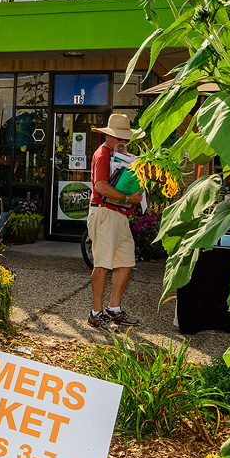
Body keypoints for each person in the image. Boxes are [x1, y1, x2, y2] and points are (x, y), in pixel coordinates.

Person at [86, 113, 143, 329]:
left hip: (119, 214)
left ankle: (114, 309)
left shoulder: (122, 156)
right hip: (104, 213)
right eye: (119, 137)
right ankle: (95, 312)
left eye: (126, 138)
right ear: (108, 136)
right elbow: (100, 186)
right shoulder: (103, 154)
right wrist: (128, 197)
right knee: (102, 264)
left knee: (126, 261)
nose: (123, 142)